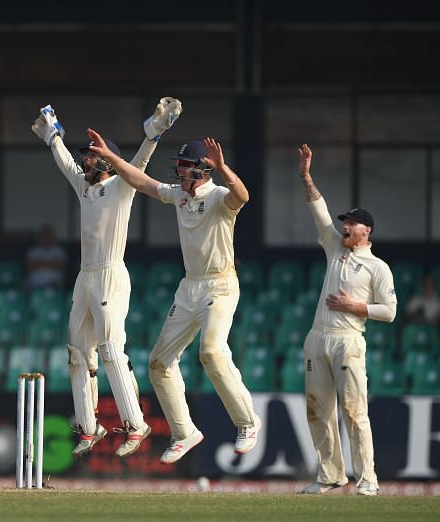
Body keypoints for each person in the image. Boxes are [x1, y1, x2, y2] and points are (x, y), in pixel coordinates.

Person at [87, 129, 262, 464]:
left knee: (211, 352)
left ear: (203, 170)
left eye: (185, 166)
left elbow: (243, 196)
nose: (179, 171)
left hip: (220, 285)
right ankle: (185, 433)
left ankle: (247, 421)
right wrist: (112, 160)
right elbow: (142, 182)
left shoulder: (218, 197)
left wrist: (224, 168)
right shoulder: (180, 196)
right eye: (178, 166)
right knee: (159, 363)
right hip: (189, 287)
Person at [31, 98, 182, 457]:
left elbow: (140, 163)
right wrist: (53, 133)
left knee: (111, 350)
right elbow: (65, 161)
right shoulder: (85, 186)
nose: (85, 160)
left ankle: (137, 423)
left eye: (92, 155)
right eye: (86, 155)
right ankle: (89, 427)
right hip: (85, 277)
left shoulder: (121, 186)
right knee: (77, 351)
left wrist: (155, 131)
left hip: (111, 274)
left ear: (106, 160)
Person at [296, 144, 397, 496]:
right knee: (318, 412)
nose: (345, 227)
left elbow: (390, 311)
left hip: (349, 339)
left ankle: (367, 477)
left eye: (351, 223)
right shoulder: (335, 247)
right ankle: (330, 475)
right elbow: (318, 211)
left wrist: (357, 307)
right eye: (344, 223)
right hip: (318, 337)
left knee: (354, 413)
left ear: (366, 230)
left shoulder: (377, 268)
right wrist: (307, 177)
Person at [25, 224, 66, 290]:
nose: (46, 237)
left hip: (54, 284)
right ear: (40, 236)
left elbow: (58, 265)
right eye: (44, 235)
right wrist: (50, 262)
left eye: (48, 235)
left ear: (52, 236)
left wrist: (38, 262)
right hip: (34, 284)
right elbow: (30, 267)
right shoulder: (33, 251)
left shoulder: (59, 250)